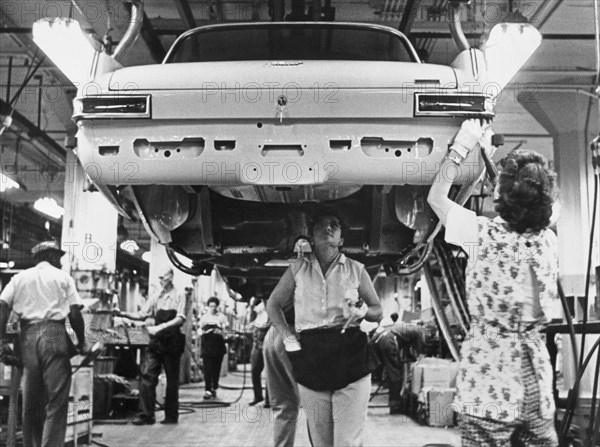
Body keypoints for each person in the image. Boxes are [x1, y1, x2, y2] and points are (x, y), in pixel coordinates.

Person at [427, 119, 561, 446]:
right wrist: (489, 160)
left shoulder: (481, 236)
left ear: (502, 195)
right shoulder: (547, 241)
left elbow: (436, 197)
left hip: (490, 383)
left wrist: (463, 146)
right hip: (536, 387)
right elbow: (524, 203)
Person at [267, 208, 383, 447]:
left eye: (334, 225)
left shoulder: (356, 269)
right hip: (311, 357)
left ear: (341, 239)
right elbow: (273, 305)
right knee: (322, 442)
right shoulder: (298, 269)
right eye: (321, 225)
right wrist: (288, 339)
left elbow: (377, 310)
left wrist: (363, 312)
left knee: (347, 442)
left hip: (350, 354)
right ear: (311, 236)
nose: (327, 228)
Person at [0, 241, 87, 447]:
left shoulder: (19, 277)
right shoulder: (63, 277)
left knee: (31, 402)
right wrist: (82, 341)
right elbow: (75, 313)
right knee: (56, 400)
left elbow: (2, 306)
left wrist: (2, 339)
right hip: (53, 333)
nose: (60, 260)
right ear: (48, 255)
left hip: (27, 335)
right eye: (57, 256)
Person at [115, 267, 186, 425]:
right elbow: (142, 314)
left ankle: (171, 416)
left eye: (164, 277)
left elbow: (181, 318)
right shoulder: (156, 296)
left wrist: (159, 327)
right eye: (159, 277)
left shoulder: (179, 295)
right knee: (147, 376)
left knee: (172, 381)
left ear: (171, 277)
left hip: (172, 342)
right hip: (157, 341)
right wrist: (122, 314)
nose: (161, 280)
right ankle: (146, 414)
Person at [371, 322, 423, 414]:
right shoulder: (418, 331)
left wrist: (409, 357)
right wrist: (419, 359)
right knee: (395, 373)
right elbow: (419, 350)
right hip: (388, 340)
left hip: (380, 340)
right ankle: (395, 405)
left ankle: (396, 402)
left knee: (392, 370)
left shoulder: (407, 328)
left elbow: (406, 348)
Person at [199, 296, 228, 399]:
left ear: (217, 306)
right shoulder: (204, 317)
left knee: (216, 368)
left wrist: (220, 330)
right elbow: (200, 329)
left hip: (218, 346)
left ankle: (214, 386)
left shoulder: (222, 317)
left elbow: (225, 330)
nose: (212, 308)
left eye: (214, 306)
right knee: (207, 369)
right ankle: (207, 390)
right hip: (207, 346)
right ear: (208, 306)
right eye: (210, 306)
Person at [247, 297, 271, 406]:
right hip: (257, 344)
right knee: (254, 371)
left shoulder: (272, 306)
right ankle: (258, 396)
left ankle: (268, 399)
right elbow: (251, 321)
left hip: (268, 344)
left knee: (269, 372)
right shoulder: (256, 307)